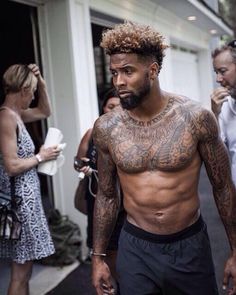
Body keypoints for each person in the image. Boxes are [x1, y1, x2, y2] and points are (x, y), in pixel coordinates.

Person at [91, 21, 236, 295]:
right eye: (114, 73)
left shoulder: (195, 118)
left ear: (153, 70)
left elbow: (222, 186)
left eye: (128, 71)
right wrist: (98, 257)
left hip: (189, 245)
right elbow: (107, 195)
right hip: (135, 247)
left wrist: (235, 249)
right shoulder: (107, 128)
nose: (118, 82)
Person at [0, 64, 61, 295]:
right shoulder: (6, 117)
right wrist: (40, 156)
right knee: (20, 273)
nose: (34, 96)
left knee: (25, 271)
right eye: (33, 91)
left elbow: (45, 111)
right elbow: (12, 165)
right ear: (24, 89)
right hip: (20, 207)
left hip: (27, 204)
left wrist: (42, 83)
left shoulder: (16, 115)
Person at [74, 88, 125, 284]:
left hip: (124, 206)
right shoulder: (92, 134)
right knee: (104, 256)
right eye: (110, 106)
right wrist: (83, 167)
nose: (114, 110)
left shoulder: (131, 134)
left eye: (119, 106)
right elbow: (78, 162)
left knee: (124, 258)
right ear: (103, 108)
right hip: (97, 202)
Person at [211, 39, 236, 186]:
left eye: (222, 71)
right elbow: (216, 157)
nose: (218, 79)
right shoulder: (225, 108)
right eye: (216, 72)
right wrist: (215, 114)